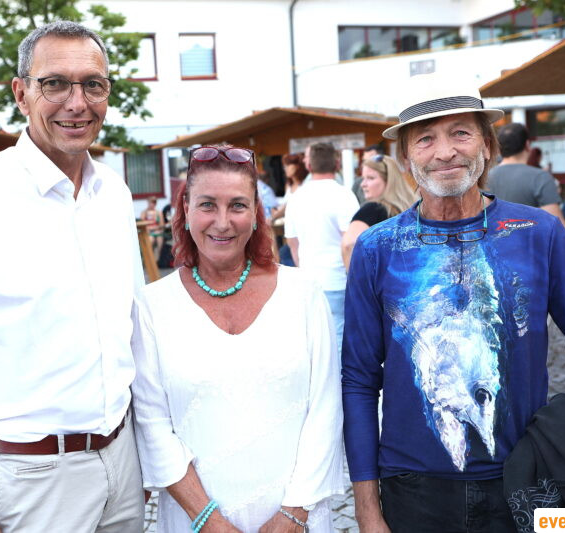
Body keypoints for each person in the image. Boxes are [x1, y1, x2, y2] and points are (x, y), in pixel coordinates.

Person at [342, 73, 565, 533]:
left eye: (460, 132)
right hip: (413, 493)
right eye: (425, 139)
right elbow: (359, 381)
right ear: (405, 158)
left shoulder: (538, 233)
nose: (445, 152)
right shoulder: (376, 249)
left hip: (525, 488)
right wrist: (367, 510)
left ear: (488, 145)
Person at [0, 21, 145, 532]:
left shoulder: (114, 194)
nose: (77, 103)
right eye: (55, 83)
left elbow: (134, 331)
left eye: (93, 84)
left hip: (124, 463)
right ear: (21, 93)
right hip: (31, 478)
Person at [131, 144, 344, 532]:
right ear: (186, 210)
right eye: (207, 205)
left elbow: (326, 408)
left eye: (238, 206)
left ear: (256, 214)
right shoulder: (151, 305)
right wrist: (207, 520)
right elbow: (152, 423)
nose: (222, 222)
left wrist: (294, 512)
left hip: (297, 520)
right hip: (193, 520)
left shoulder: (303, 294)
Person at [285, 142, 359, 353]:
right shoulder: (344, 195)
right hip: (337, 279)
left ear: (309, 166)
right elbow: (351, 241)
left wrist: (303, 268)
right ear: (337, 164)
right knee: (339, 338)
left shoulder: (296, 197)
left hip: (308, 279)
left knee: (313, 341)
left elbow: (292, 243)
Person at [487, 122, 565, 235]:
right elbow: (559, 228)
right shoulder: (540, 178)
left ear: (499, 148)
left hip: (492, 244)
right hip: (531, 244)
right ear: (527, 145)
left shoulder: (485, 179)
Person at [341, 154, 417, 270]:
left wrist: (357, 277)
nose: (363, 184)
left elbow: (348, 245)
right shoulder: (414, 208)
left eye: (370, 178)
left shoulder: (373, 209)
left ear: (389, 181)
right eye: (363, 178)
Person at [142, 195, 166, 260]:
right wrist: (149, 228)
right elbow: (142, 224)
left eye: (152, 203)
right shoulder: (144, 212)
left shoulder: (158, 212)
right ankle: (149, 259)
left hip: (157, 232)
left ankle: (158, 260)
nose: (151, 205)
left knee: (160, 242)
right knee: (150, 241)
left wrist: (154, 228)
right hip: (148, 232)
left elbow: (162, 225)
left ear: (155, 204)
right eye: (149, 203)